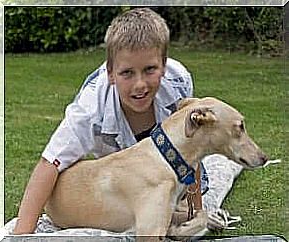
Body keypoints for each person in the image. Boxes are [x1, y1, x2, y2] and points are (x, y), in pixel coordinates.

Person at [13, 7, 209, 235]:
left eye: (150, 70)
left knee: (179, 202)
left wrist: (196, 211)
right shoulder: (90, 109)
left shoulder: (178, 83)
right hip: (120, 172)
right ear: (110, 73)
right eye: (127, 73)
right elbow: (50, 163)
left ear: (164, 66)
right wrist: (21, 235)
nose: (140, 85)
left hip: (164, 162)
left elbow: (192, 146)